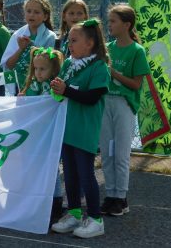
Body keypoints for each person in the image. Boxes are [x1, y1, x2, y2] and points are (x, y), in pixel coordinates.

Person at [50, 18, 110, 238]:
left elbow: (92, 98)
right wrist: (55, 88)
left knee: (86, 175)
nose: (69, 45)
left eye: (74, 41)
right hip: (67, 129)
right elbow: (61, 93)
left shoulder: (99, 67)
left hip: (84, 130)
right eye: (68, 41)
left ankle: (96, 219)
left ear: (90, 43)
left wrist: (66, 91)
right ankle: (74, 213)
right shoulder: (68, 64)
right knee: (71, 175)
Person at [99, 4, 150, 216]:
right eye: (109, 21)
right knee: (107, 153)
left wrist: (114, 73)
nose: (109, 25)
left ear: (127, 25)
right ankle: (110, 194)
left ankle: (120, 196)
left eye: (113, 21)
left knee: (120, 154)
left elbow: (136, 84)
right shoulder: (107, 48)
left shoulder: (137, 51)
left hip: (124, 105)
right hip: (105, 103)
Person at [19, 47, 65, 225]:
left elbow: (56, 104)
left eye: (42, 69)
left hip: (49, 136)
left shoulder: (54, 87)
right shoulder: (31, 85)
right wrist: (21, 99)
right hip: (35, 137)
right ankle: (36, 202)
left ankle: (56, 204)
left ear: (53, 69)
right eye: (35, 69)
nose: (37, 73)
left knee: (52, 169)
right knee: (35, 168)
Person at [0, 0, 57, 95]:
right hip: (20, 88)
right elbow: (8, 65)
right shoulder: (17, 35)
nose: (32, 15)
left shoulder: (50, 37)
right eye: (29, 11)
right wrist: (21, 49)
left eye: (36, 12)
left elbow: (51, 67)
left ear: (45, 16)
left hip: (42, 90)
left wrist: (33, 49)